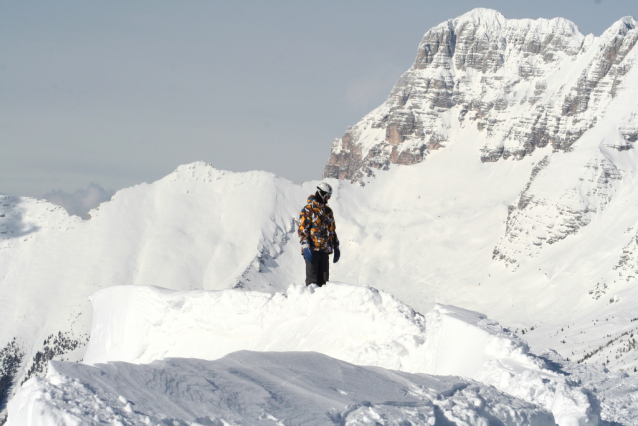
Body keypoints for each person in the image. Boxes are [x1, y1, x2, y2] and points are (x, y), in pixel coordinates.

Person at [298, 182, 340, 286]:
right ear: (321, 193)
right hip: (312, 250)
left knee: (324, 283)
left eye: (330, 196)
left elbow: (332, 230)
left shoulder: (328, 211)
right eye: (327, 196)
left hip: (324, 250)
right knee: (313, 281)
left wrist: (336, 245)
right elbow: (303, 229)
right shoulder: (308, 210)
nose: (328, 199)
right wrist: (306, 245)